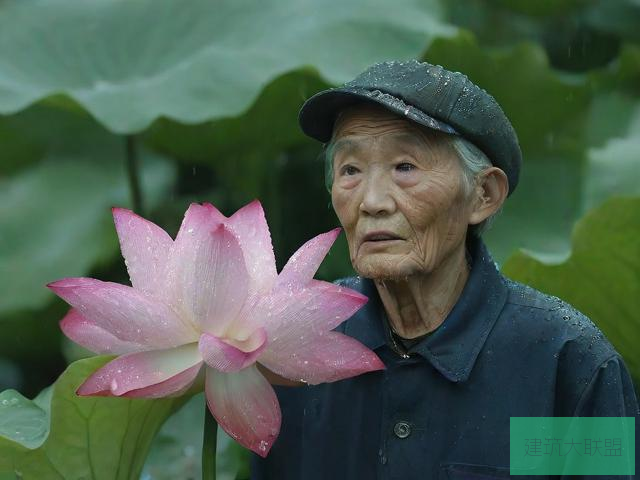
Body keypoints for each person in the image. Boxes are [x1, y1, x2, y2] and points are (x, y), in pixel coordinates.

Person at [251, 60, 639, 479]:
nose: (372, 201)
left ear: (484, 195)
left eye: (405, 167)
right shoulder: (296, 347)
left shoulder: (569, 364)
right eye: (350, 171)